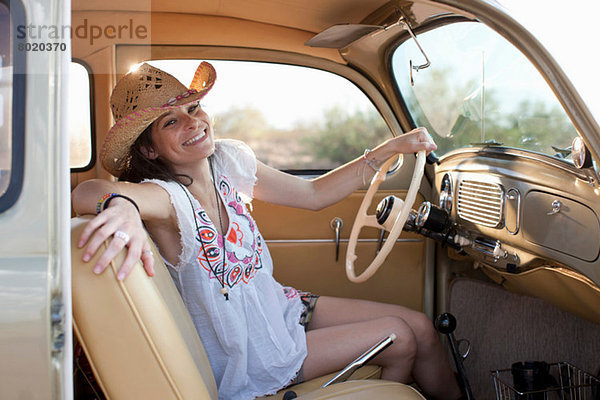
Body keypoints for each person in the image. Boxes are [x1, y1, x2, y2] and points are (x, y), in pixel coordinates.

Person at [72, 62, 462, 400]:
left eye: (194, 108)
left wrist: (388, 150)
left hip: (279, 310)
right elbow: (88, 191)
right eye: (171, 121)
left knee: (421, 326)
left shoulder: (226, 161)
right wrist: (119, 205)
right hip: (251, 354)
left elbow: (313, 193)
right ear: (150, 150)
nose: (193, 122)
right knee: (400, 335)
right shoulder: (168, 199)